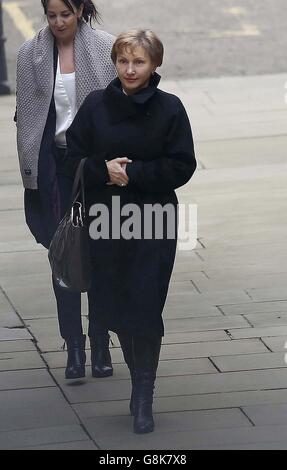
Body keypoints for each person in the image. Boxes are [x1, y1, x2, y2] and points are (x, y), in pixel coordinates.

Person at [64, 29, 197, 434]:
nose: (130, 69)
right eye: (123, 61)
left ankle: (143, 396)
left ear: (155, 64)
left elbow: (182, 166)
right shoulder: (95, 106)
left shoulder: (170, 109)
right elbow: (72, 156)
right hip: (105, 222)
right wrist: (101, 169)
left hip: (152, 221)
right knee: (114, 307)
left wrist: (133, 174)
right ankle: (137, 377)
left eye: (139, 62)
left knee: (144, 306)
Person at [15, 0, 117, 380]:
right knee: (64, 257)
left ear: (81, 11)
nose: (58, 22)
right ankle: (74, 347)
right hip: (56, 167)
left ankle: (101, 343)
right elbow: (26, 115)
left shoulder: (106, 47)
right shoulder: (30, 54)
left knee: (101, 256)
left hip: (94, 168)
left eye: (66, 14)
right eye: (51, 15)